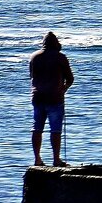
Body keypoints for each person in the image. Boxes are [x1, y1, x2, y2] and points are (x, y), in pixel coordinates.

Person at [29, 31, 74, 167]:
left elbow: (31, 76)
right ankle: (56, 159)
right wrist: (64, 88)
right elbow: (70, 78)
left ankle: (37, 159)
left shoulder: (34, 56)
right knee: (55, 130)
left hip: (37, 97)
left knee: (37, 128)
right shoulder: (60, 57)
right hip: (55, 97)